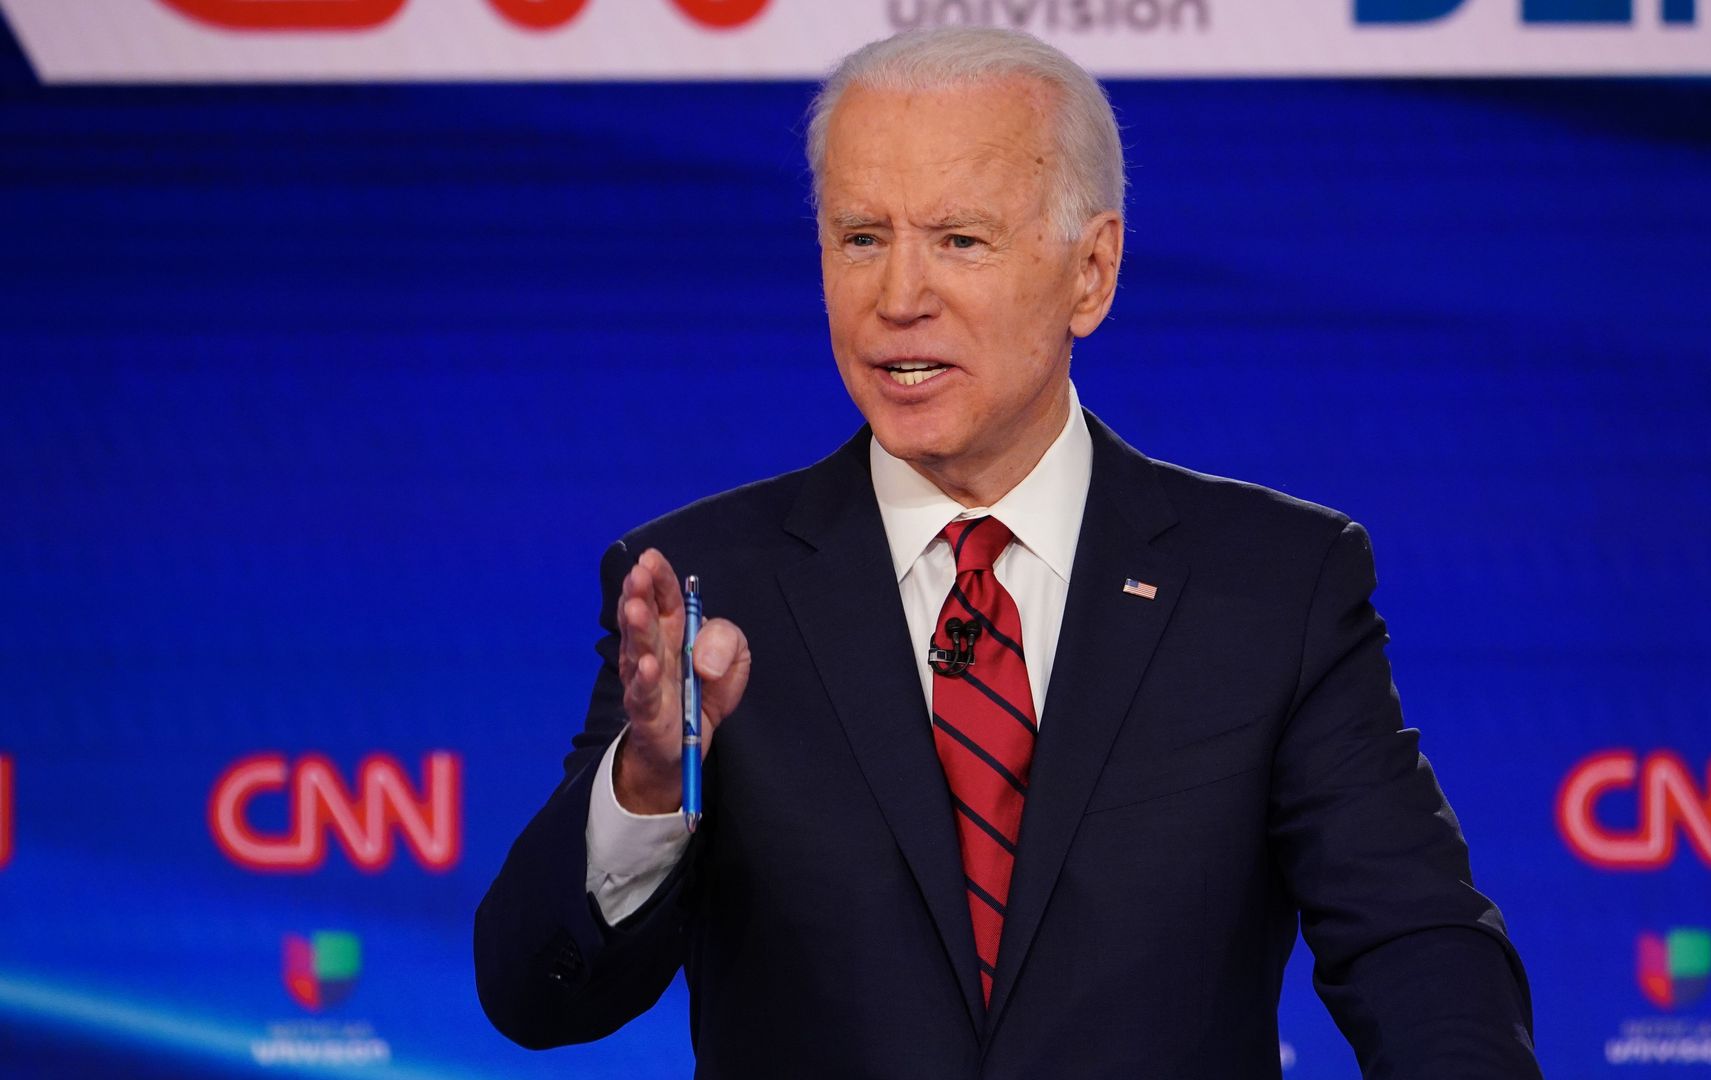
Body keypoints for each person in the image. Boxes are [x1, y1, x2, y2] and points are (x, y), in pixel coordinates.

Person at [475, 26, 1541, 1079]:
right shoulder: (705, 590)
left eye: (960, 239)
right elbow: (533, 995)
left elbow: (1416, 945)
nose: (898, 297)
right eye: (859, 238)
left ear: (1092, 273)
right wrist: (654, 783)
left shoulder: (1271, 586)